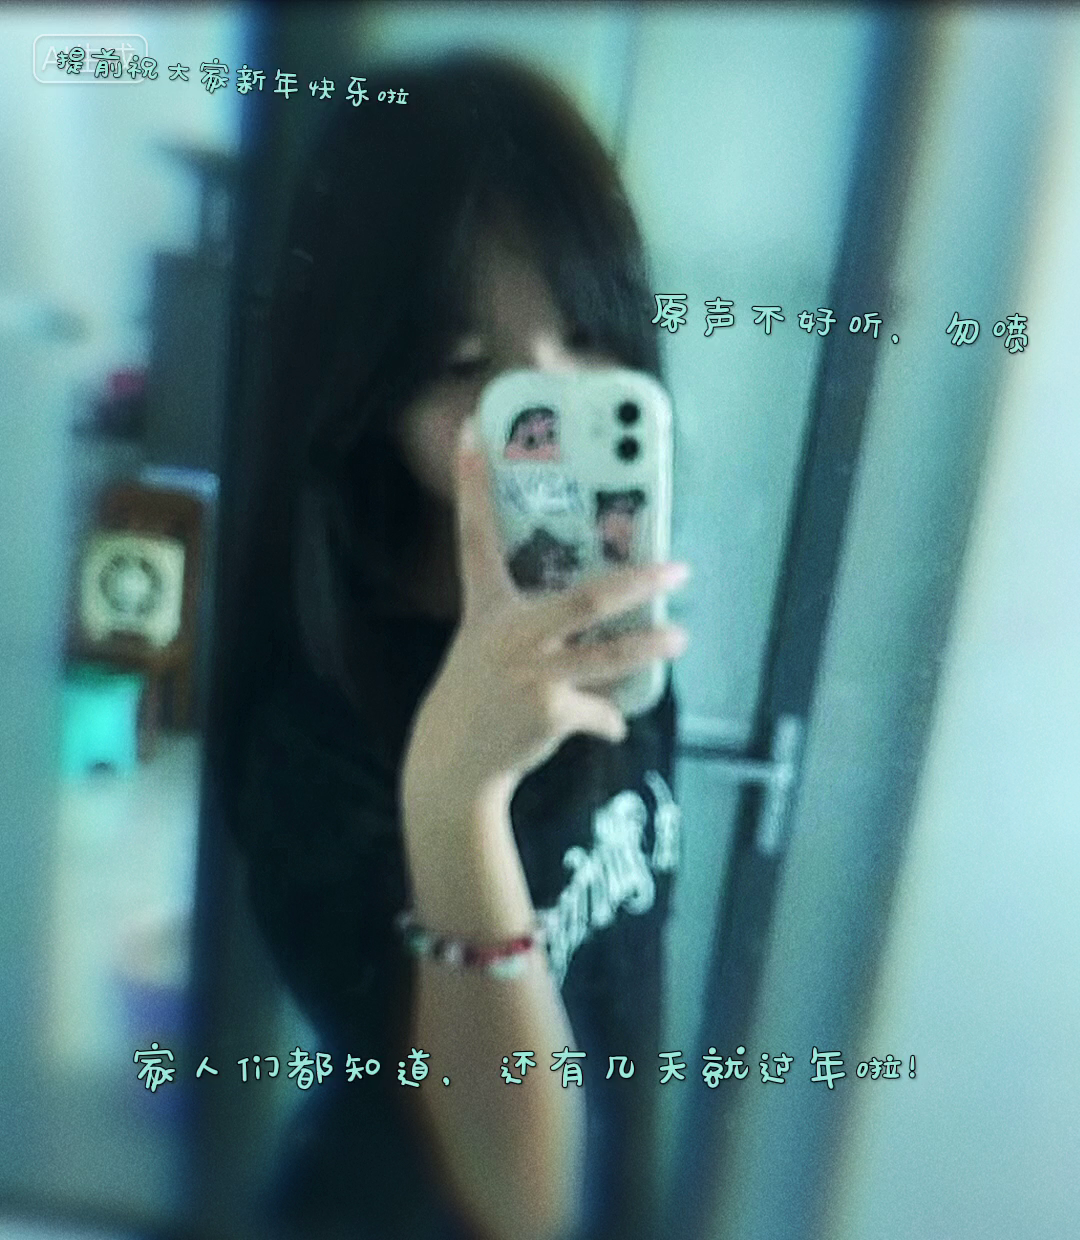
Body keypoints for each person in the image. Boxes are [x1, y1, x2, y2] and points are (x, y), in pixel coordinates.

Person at [213, 50, 691, 1240]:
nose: (550, 407)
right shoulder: (309, 736)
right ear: (370, 393)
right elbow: (516, 1200)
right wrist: (455, 793)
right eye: (468, 366)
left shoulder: (609, 614)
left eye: (589, 332)